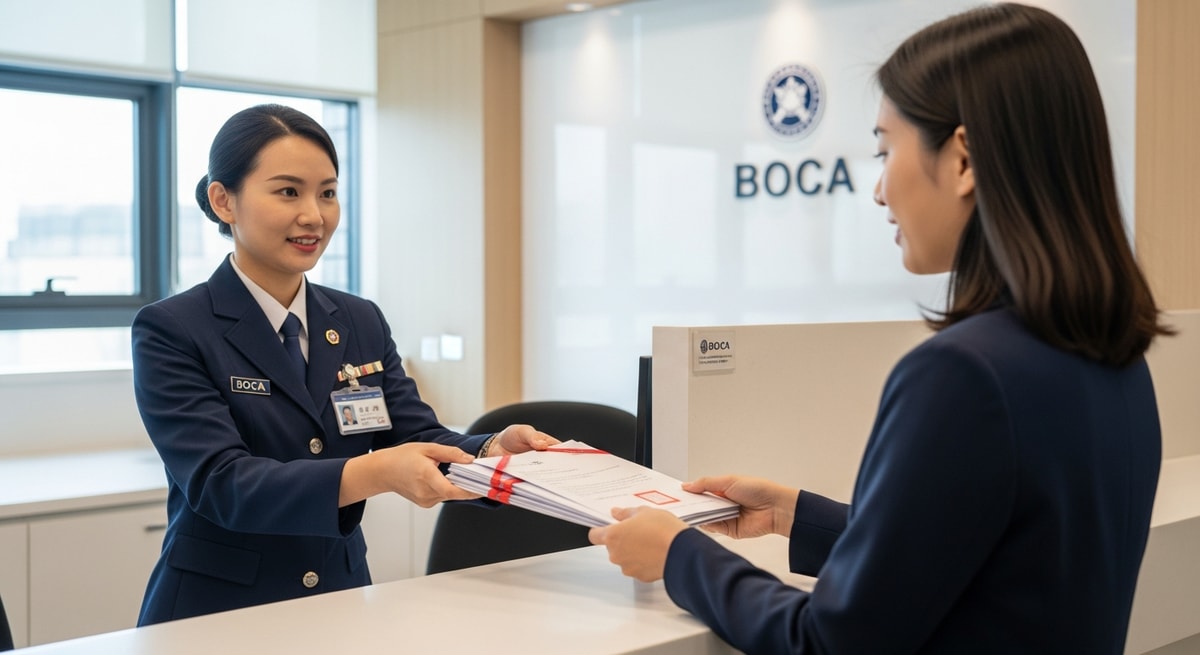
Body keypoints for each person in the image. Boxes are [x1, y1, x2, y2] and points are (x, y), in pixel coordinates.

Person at [588, 4, 1171, 653]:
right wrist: (794, 515)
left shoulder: (964, 374)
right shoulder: (1113, 355)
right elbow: (1000, 565)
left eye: (885, 149)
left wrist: (679, 554)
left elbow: (830, 641)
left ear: (963, 160)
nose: (878, 190)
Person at [132, 104, 554, 625]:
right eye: (288, 191)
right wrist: (373, 471)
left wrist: (492, 451)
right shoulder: (174, 327)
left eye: (327, 193)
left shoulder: (358, 319)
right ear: (225, 201)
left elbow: (413, 434)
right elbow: (224, 484)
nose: (314, 215)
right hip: (218, 613)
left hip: (341, 597)